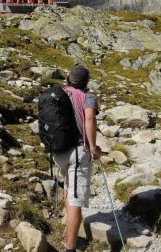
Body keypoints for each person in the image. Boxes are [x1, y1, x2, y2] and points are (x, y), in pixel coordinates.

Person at [53, 65, 101, 252]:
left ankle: (68, 231)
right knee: (75, 200)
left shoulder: (58, 94)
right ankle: (70, 248)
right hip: (77, 151)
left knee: (68, 188)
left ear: (68, 78)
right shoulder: (87, 97)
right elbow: (89, 118)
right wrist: (93, 146)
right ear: (86, 81)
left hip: (58, 152)